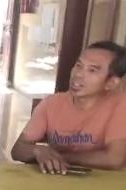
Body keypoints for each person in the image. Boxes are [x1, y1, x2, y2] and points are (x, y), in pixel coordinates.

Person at [11, 41, 126, 173]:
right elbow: (17, 150)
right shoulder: (51, 104)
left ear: (111, 83)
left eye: (92, 70)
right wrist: (38, 151)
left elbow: (114, 160)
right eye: (78, 65)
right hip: (61, 179)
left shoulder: (121, 105)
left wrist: (57, 158)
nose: (78, 74)